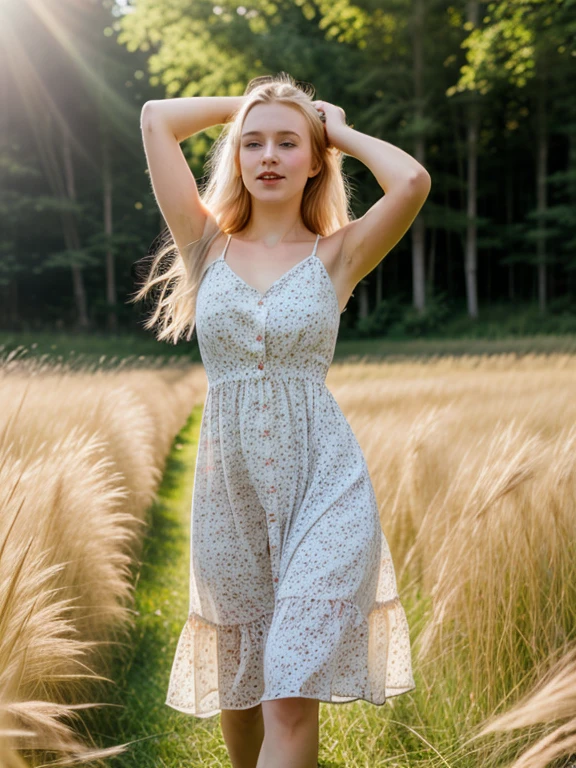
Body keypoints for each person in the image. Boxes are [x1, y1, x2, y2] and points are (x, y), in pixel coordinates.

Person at [135, 72, 430, 768]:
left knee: (289, 690)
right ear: (236, 154)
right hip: (227, 495)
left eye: (289, 143)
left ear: (314, 158)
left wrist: (338, 127)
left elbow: (411, 182)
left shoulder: (338, 253)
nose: (268, 155)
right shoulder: (205, 245)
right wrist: (251, 105)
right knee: (243, 684)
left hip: (325, 487)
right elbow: (154, 117)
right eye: (253, 142)